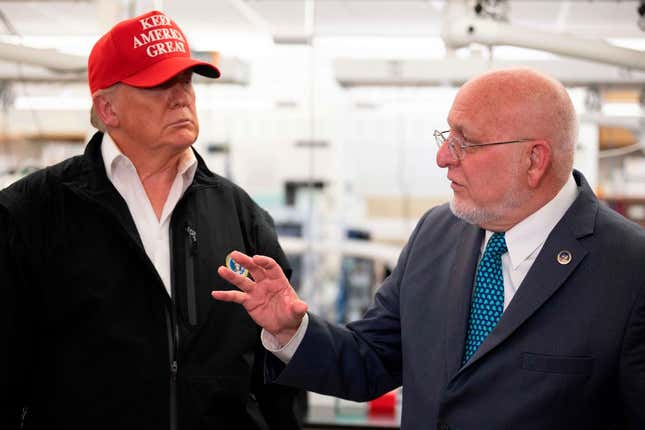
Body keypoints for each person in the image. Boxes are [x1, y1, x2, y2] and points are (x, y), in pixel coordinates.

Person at [212, 68, 645, 429]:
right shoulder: (439, 232)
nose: (442, 157)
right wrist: (292, 331)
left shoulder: (629, 269)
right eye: (446, 135)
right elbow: (371, 359)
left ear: (534, 160)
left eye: (466, 142)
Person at [0, 10, 304, 430]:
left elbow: (278, 373)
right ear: (107, 108)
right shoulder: (30, 214)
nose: (181, 96)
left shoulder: (240, 216)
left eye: (187, 81)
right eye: (159, 84)